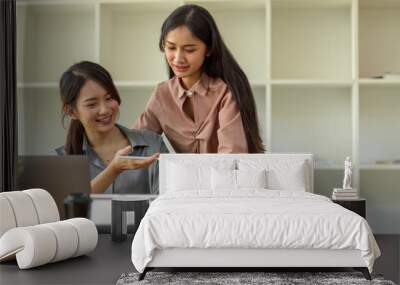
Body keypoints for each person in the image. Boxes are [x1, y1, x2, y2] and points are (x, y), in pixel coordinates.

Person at [133, 4, 264, 153]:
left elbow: (231, 154)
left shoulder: (225, 92)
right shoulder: (162, 94)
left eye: (189, 50)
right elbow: (136, 142)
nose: (178, 59)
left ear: (208, 49)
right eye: (171, 47)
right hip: (183, 176)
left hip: (227, 175)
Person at [56, 61, 168, 194]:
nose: (104, 110)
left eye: (109, 98)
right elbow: (69, 209)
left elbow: (168, 204)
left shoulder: (153, 144)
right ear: (71, 111)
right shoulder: (63, 160)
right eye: (92, 104)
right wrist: (113, 170)